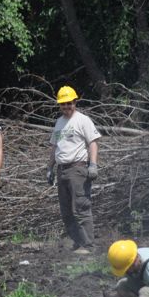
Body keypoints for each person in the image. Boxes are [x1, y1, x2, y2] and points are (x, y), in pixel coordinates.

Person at [46, 86, 101, 254]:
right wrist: (49, 168)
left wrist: (93, 164)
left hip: (78, 168)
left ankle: (88, 245)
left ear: (75, 102)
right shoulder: (59, 122)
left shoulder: (82, 120)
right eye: (63, 104)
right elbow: (55, 147)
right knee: (66, 211)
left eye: (69, 103)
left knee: (81, 208)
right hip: (62, 170)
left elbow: (92, 142)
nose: (66, 107)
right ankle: (77, 242)